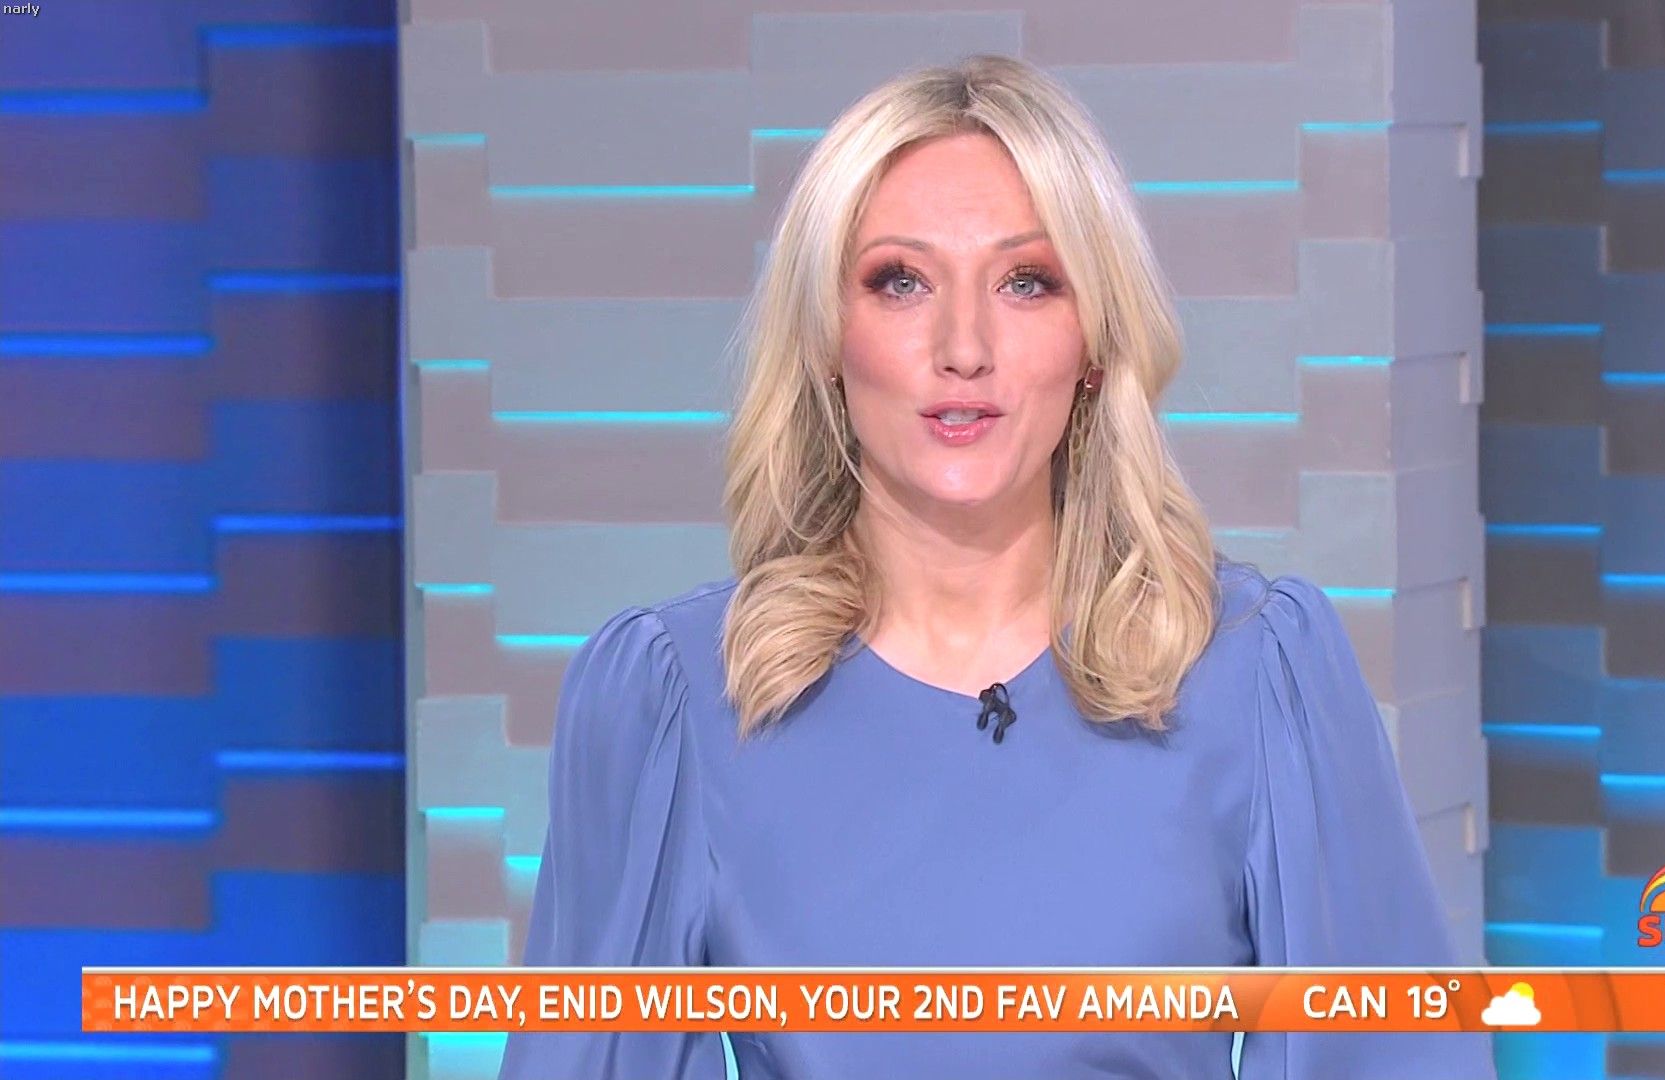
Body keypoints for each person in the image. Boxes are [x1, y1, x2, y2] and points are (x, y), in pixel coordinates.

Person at [497, 54, 1493, 1080]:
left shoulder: (1256, 670)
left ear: (1094, 340)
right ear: (827, 338)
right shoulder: (676, 699)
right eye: (901, 281)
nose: (963, 346)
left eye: (1027, 282)